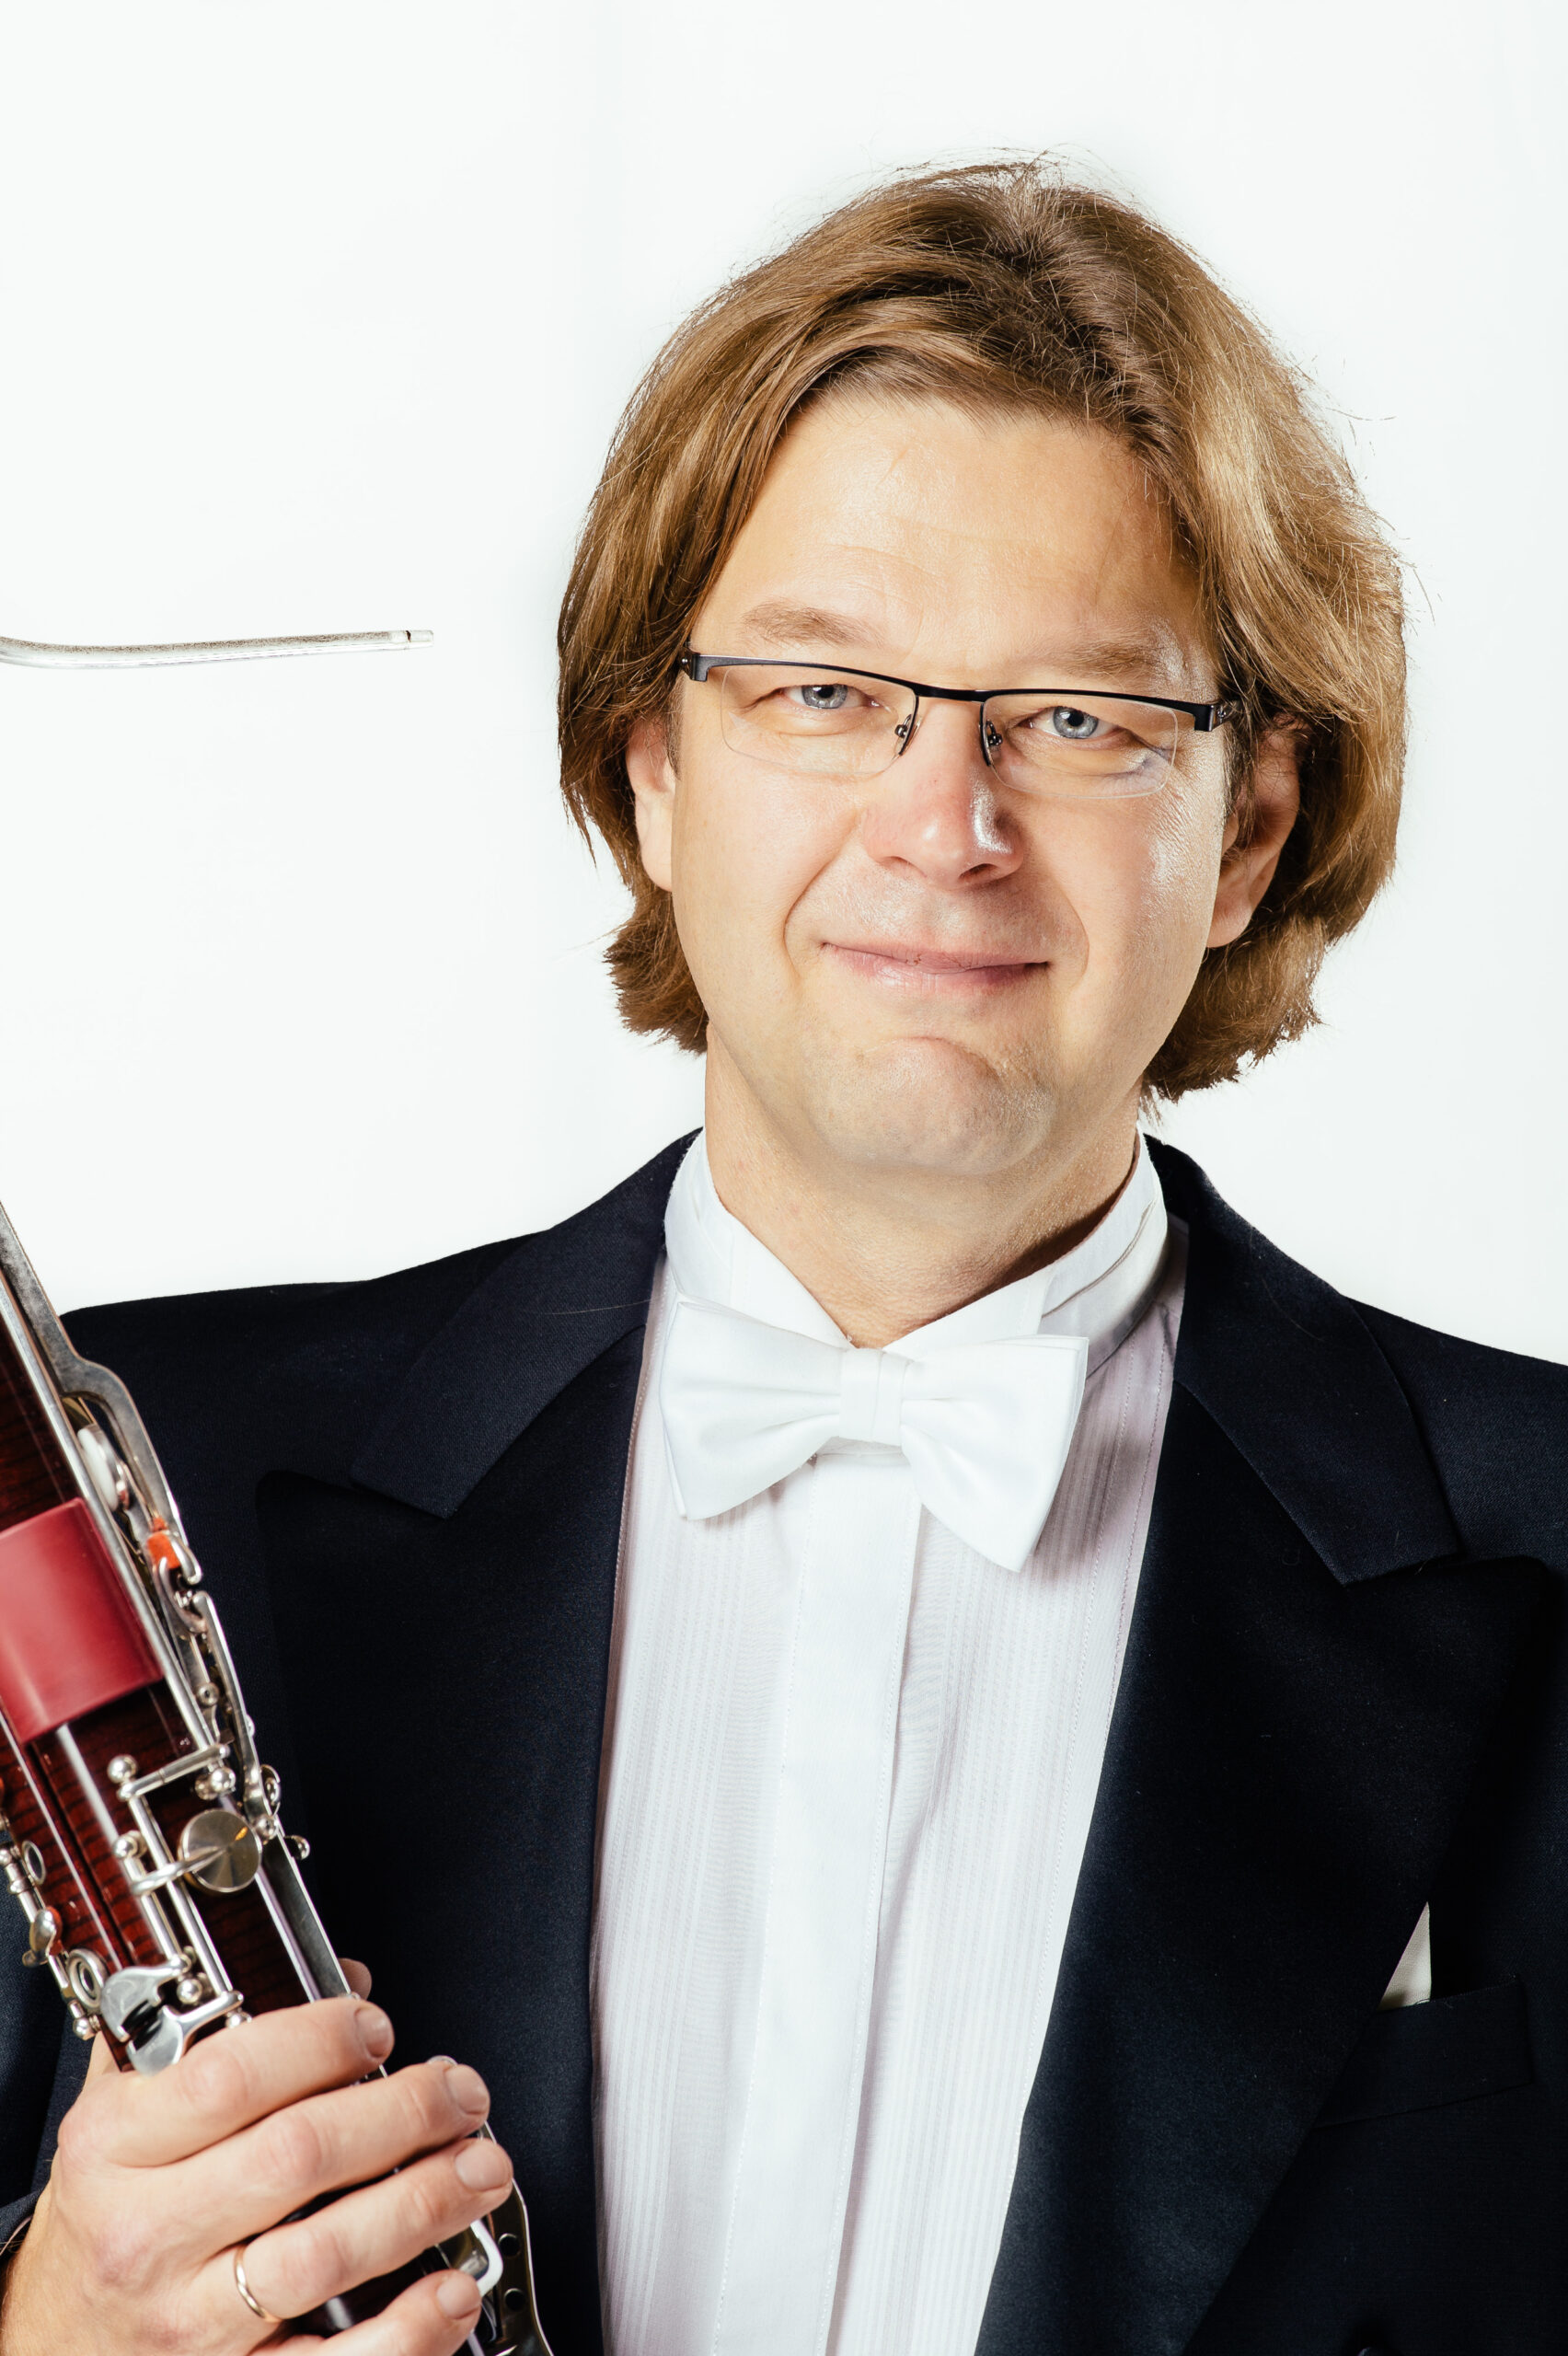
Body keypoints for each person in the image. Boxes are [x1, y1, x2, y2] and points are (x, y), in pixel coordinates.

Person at [2, 158, 1563, 2356]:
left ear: (1254, 829)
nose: (947, 823)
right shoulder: (111, 1505)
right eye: (826, 691)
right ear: (652, 767)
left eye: (1082, 716)